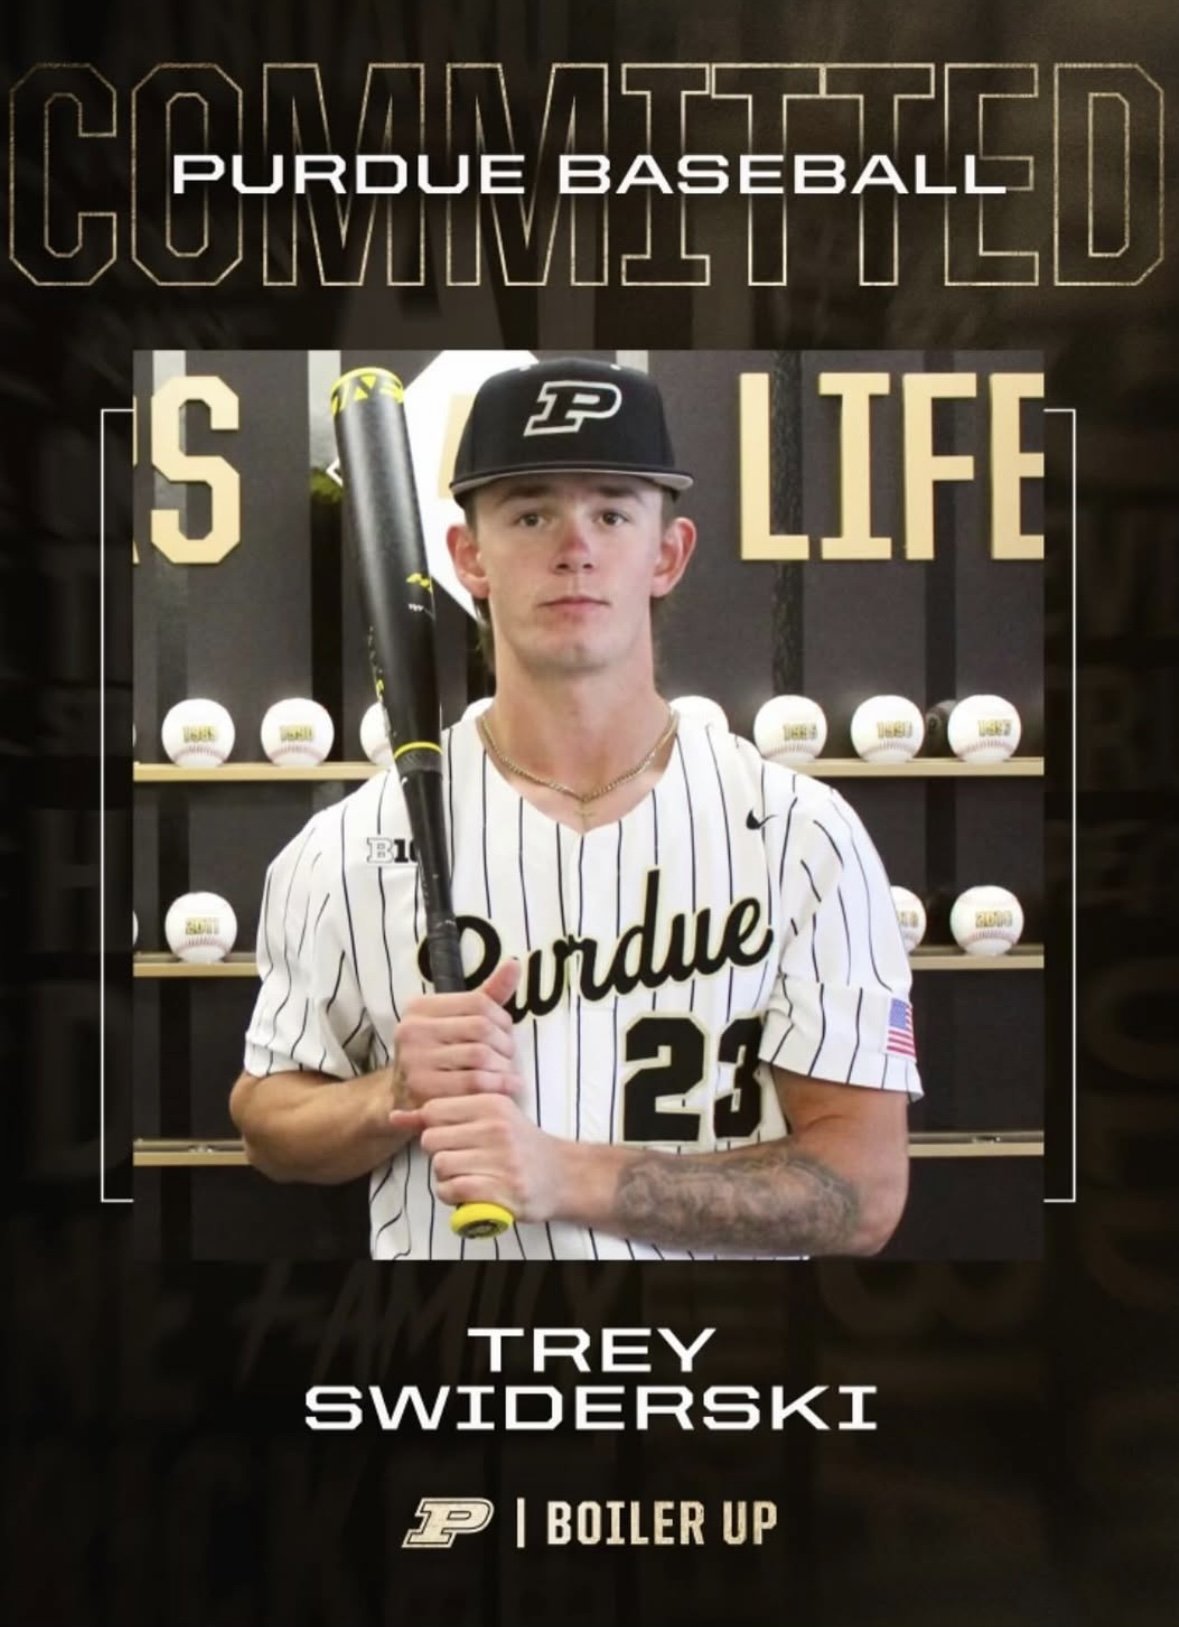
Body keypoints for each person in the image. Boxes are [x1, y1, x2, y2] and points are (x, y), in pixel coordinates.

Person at [229, 355, 922, 1260]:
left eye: (610, 509)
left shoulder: (801, 835)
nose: (574, 546)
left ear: (666, 553)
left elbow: (862, 1193)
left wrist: (564, 1176)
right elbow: (267, 1123)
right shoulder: (347, 847)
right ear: (467, 556)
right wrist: (389, 1091)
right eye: (529, 512)